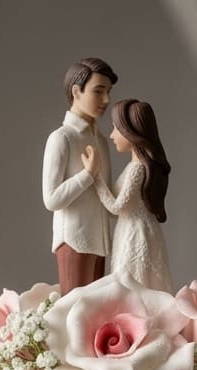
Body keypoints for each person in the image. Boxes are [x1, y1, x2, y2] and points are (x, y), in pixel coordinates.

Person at [42, 58, 118, 296]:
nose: (106, 100)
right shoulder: (61, 138)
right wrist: (87, 175)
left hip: (101, 240)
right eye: (98, 91)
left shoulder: (102, 141)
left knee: (95, 316)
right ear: (76, 91)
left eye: (108, 92)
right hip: (74, 240)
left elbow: (107, 197)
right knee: (73, 312)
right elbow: (51, 199)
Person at [82, 98, 172, 293]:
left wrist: (95, 176)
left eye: (116, 128)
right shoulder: (135, 167)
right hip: (133, 229)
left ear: (131, 132)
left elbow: (116, 207)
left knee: (134, 286)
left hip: (134, 234)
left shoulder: (137, 169)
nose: (113, 135)